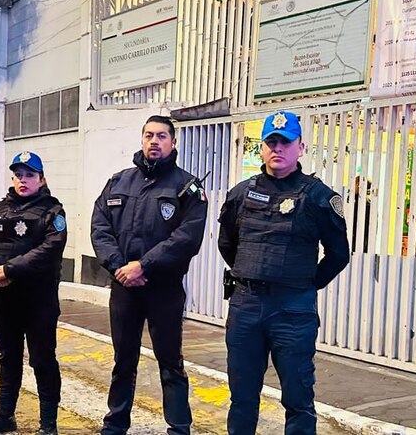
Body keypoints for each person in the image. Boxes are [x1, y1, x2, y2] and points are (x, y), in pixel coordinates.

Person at [218, 111, 350, 434]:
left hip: (293, 311)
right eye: (271, 142)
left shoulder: (319, 197)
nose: (278, 148)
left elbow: (338, 254)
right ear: (262, 148)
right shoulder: (240, 194)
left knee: (298, 400)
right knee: (242, 398)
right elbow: (227, 245)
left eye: (286, 142)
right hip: (246, 306)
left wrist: (305, 284)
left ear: (300, 147)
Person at [92, 115, 208, 435]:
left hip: (163, 289)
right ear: (141, 140)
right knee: (123, 360)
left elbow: (187, 238)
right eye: (148, 135)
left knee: (170, 362)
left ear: (173, 142)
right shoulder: (118, 182)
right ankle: (115, 425)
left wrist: (143, 266)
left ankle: (179, 427)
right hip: (124, 287)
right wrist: (119, 267)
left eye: (161, 136)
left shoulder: (187, 187)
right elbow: (100, 228)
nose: (154, 141)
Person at [0, 151, 68, 435]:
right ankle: (5, 417)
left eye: (30, 175)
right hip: (4, 299)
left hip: (38, 301)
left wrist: (9, 271)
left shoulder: (53, 212)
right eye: (19, 175)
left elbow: (50, 249)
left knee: (42, 360)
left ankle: (48, 425)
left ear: (41, 179)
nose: (23, 180)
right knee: (8, 357)